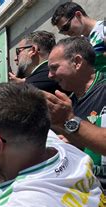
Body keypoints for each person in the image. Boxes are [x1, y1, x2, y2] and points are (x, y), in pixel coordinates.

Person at [46, 37, 106, 180]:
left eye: (54, 67)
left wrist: (69, 121)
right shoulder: (67, 103)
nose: (49, 75)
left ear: (77, 62)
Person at [51, 2, 106, 73]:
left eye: (66, 27)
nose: (66, 33)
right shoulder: (80, 43)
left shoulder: (103, 29)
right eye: (62, 31)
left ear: (78, 15)